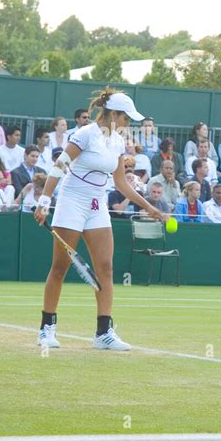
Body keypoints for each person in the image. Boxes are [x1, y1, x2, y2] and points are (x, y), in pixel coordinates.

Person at [33, 87, 166, 351]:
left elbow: (120, 183)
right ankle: (47, 329)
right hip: (71, 202)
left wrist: (149, 207)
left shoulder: (117, 141)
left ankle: (103, 333)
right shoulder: (85, 134)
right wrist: (45, 201)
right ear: (114, 114)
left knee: (105, 268)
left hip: (97, 206)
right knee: (60, 268)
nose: (129, 124)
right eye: (127, 118)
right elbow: (59, 166)